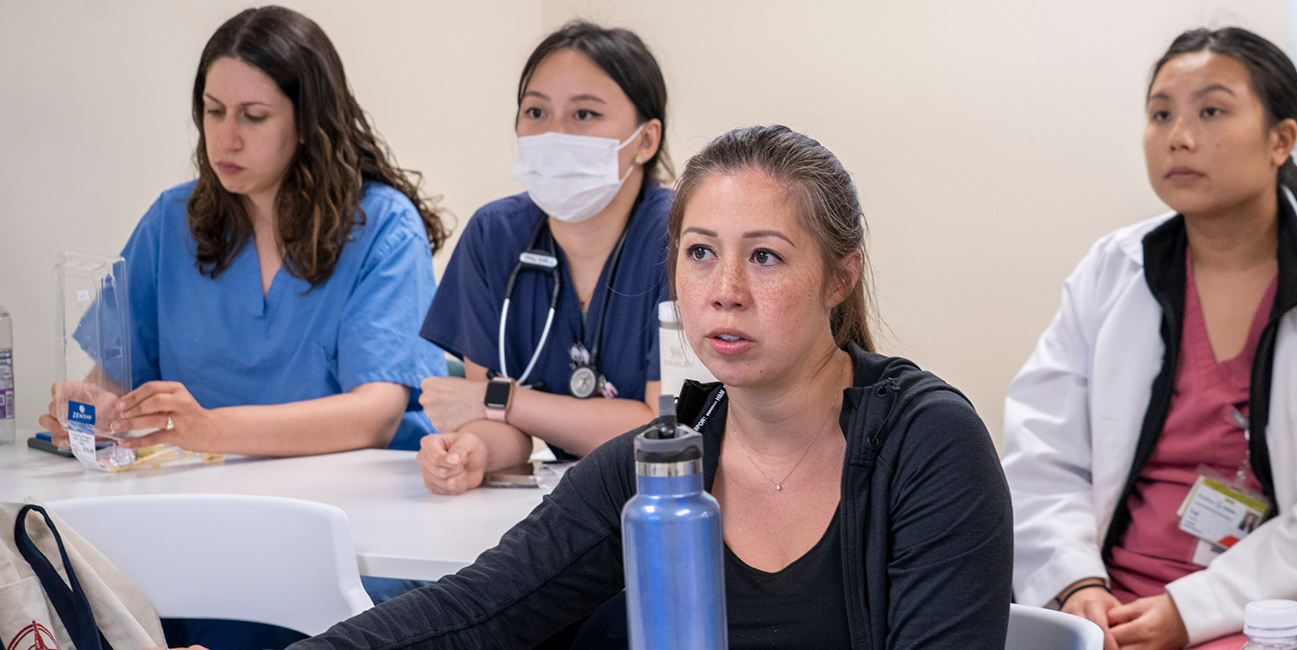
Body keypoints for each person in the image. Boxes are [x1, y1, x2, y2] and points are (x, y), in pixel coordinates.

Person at [281, 125, 1012, 649]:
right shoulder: (662, 463)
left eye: (764, 257)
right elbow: (478, 610)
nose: (724, 292)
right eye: (699, 254)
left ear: (839, 277)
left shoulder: (927, 446)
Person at [1004, 27, 1297, 650]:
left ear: (1280, 140)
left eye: (1211, 110)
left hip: (1258, 609)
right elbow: (1040, 450)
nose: (1178, 135)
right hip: (1103, 601)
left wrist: (1190, 611)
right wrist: (1076, 585)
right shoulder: (1113, 269)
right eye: (1161, 114)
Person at [40, 6, 448, 456]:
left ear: (310, 124)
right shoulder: (171, 221)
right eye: (214, 112)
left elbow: (376, 415)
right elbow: (115, 379)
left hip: (354, 497)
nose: (226, 138)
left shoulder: (384, 228)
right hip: (203, 494)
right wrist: (97, 410)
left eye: (253, 116)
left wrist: (210, 430)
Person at [413, 21, 672, 495]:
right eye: (536, 111)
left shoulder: (684, 241)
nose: (554, 134)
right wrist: (473, 450)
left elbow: (662, 428)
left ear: (646, 140)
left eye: (585, 114)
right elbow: (499, 424)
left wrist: (503, 400)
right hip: (568, 510)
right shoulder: (494, 236)